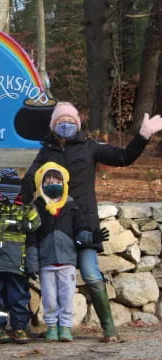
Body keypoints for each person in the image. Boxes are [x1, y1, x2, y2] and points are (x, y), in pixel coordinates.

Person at [21, 102, 162, 342]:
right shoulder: (46, 151)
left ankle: (109, 329)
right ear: (54, 126)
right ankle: (53, 326)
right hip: (54, 226)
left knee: (89, 270)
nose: (66, 125)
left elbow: (123, 157)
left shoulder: (90, 147)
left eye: (71, 121)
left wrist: (143, 136)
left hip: (84, 223)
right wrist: (5, 200)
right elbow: (29, 182)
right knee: (50, 277)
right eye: (61, 122)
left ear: (78, 124)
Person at [26, 162, 109, 342]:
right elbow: (32, 237)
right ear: (41, 184)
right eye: (48, 182)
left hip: (67, 263)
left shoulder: (71, 206)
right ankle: (51, 327)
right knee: (49, 299)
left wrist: (91, 237)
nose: (52, 184)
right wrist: (32, 263)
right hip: (46, 263)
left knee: (66, 297)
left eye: (57, 181)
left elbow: (79, 232)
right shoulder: (37, 206)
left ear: (64, 183)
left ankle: (65, 327)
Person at [0, 168, 40, 344]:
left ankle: (19, 327)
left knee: (19, 297)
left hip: (17, 264)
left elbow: (34, 229)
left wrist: (31, 265)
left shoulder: (24, 210)